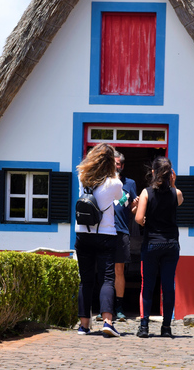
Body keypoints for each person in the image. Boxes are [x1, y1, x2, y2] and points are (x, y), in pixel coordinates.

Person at [75, 142, 123, 338]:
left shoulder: (82, 177)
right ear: (111, 162)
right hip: (106, 234)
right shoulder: (114, 183)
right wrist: (114, 174)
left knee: (85, 280)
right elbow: (119, 198)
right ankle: (107, 322)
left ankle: (83, 325)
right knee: (107, 279)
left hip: (82, 233)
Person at [134, 156, 183, 339]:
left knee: (147, 285)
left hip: (152, 243)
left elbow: (139, 218)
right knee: (168, 285)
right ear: (171, 174)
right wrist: (174, 183)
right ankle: (166, 327)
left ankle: (144, 326)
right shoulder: (175, 193)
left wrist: (145, 220)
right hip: (171, 244)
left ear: (153, 172)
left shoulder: (147, 193)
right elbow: (179, 200)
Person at [113, 151, 137, 320]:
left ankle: (119, 307)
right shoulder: (103, 183)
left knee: (119, 270)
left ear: (122, 165)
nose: (116, 166)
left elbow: (134, 210)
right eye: (113, 163)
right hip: (105, 232)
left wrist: (136, 206)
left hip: (121, 231)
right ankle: (105, 307)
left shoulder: (130, 184)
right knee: (105, 271)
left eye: (118, 163)